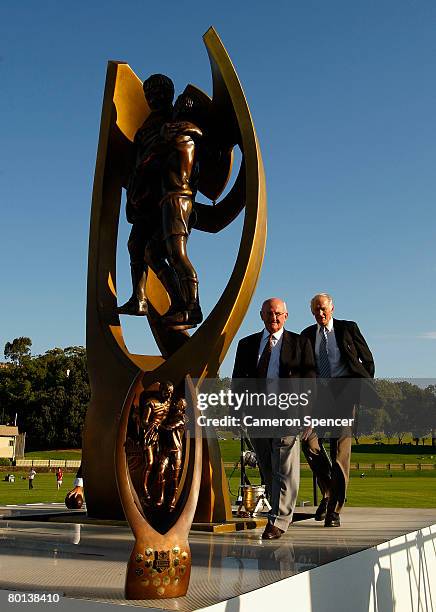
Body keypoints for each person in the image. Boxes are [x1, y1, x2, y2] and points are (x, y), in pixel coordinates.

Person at [232, 298, 316, 539]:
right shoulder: (246, 345)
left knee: (285, 467)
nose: (274, 318)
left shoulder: (300, 343)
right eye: (269, 313)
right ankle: (277, 512)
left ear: (286, 316)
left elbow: (310, 381)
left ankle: (279, 520)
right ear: (261, 315)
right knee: (267, 468)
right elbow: (238, 381)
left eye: (278, 313)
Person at [301, 293, 375, 527]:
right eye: (315, 311)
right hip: (318, 396)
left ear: (332, 307)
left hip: (344, 393)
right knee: (309, 442)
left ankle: (335, 510)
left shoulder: (348, 328)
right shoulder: (306, 335)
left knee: (340, 452)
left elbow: (368, 360)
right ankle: (329, 492)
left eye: (323, 309)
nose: (320, 314)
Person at [118, 73, 183, 318]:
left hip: (165, 198)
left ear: (170, 95)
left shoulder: (174, 119)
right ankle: (139, 298)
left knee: (155, 252)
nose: (154, 98)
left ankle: (180, 301)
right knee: (135, 244)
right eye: (150, 94)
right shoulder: (145, 126)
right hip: (143, 198)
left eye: (159, 93)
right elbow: (137, 162)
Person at [141, 381, 174, 504]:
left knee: (162, 466)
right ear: (161, 391)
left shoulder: (169, 404)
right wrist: (152, 425)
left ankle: (161, 494)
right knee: (149, 462)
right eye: (167, 392)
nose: (169, 395)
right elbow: (144, 420)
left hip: (163, 436)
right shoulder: (151, 403)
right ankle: (144, 488)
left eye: (171, 393)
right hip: (151, 435)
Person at [155, 398, 187, 510]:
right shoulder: (169, 417)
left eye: (179, 403)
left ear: (183, 407)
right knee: (160, 470)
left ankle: (174, 497)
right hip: (167, 450)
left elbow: (170, 427)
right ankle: (161, 495)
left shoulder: (182, 418)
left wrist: (157, 425)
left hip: (176, 450)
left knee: (175, 477)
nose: (176, 404)